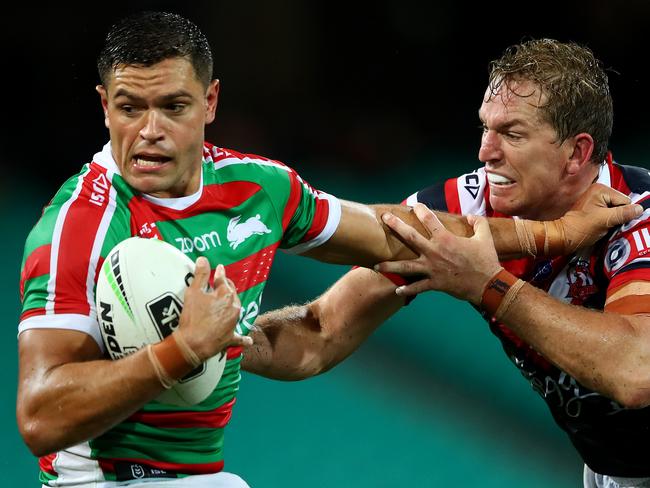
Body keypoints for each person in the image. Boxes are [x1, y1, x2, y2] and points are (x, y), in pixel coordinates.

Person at [15, 12, 637, 487]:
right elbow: (40, 418)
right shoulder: (80, 225)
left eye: (172, 105)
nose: (150, 130)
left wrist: (541, 244)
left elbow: (633, 374)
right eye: (130, 107)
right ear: (105, 108)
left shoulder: (262, 189)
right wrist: (189, 345)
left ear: (209, 103)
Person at [245, 39, 650, 488]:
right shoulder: (464, 210)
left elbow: (635, 373)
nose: (485, 152)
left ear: (576, 153)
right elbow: (320, 332)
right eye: (485, 129)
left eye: (512, 135)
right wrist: (223, 338)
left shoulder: (638, 213)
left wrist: (487, 285)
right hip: (614, 473)